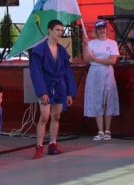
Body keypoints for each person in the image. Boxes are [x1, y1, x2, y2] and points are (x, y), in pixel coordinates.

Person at [29, 19, 77, 159]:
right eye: (57, 30)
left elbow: (67, 72)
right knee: (44, 116)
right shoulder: (39, 50)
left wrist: (69, 93)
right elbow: (36, 73)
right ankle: (39, 147)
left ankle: (52, 145)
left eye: (61, 30)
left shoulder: (62, 51)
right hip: (45, 85)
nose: (60, 33)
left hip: (60, 86)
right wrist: (42, 92)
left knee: (56, 116)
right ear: (49, 30)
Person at [83, 19, 120, 141]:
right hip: (94, 73)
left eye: (103, 28)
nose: (102, 30)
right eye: (99, 28)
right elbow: (87, 59)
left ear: (106, 29)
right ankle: (100, 131)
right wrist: (85, 45)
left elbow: (113, 61)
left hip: (107, 73)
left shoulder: (112, 43)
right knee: (97, 100)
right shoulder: (92, 43)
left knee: (108, 100)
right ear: (96, 30)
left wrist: (97, 59)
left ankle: (108, 130)